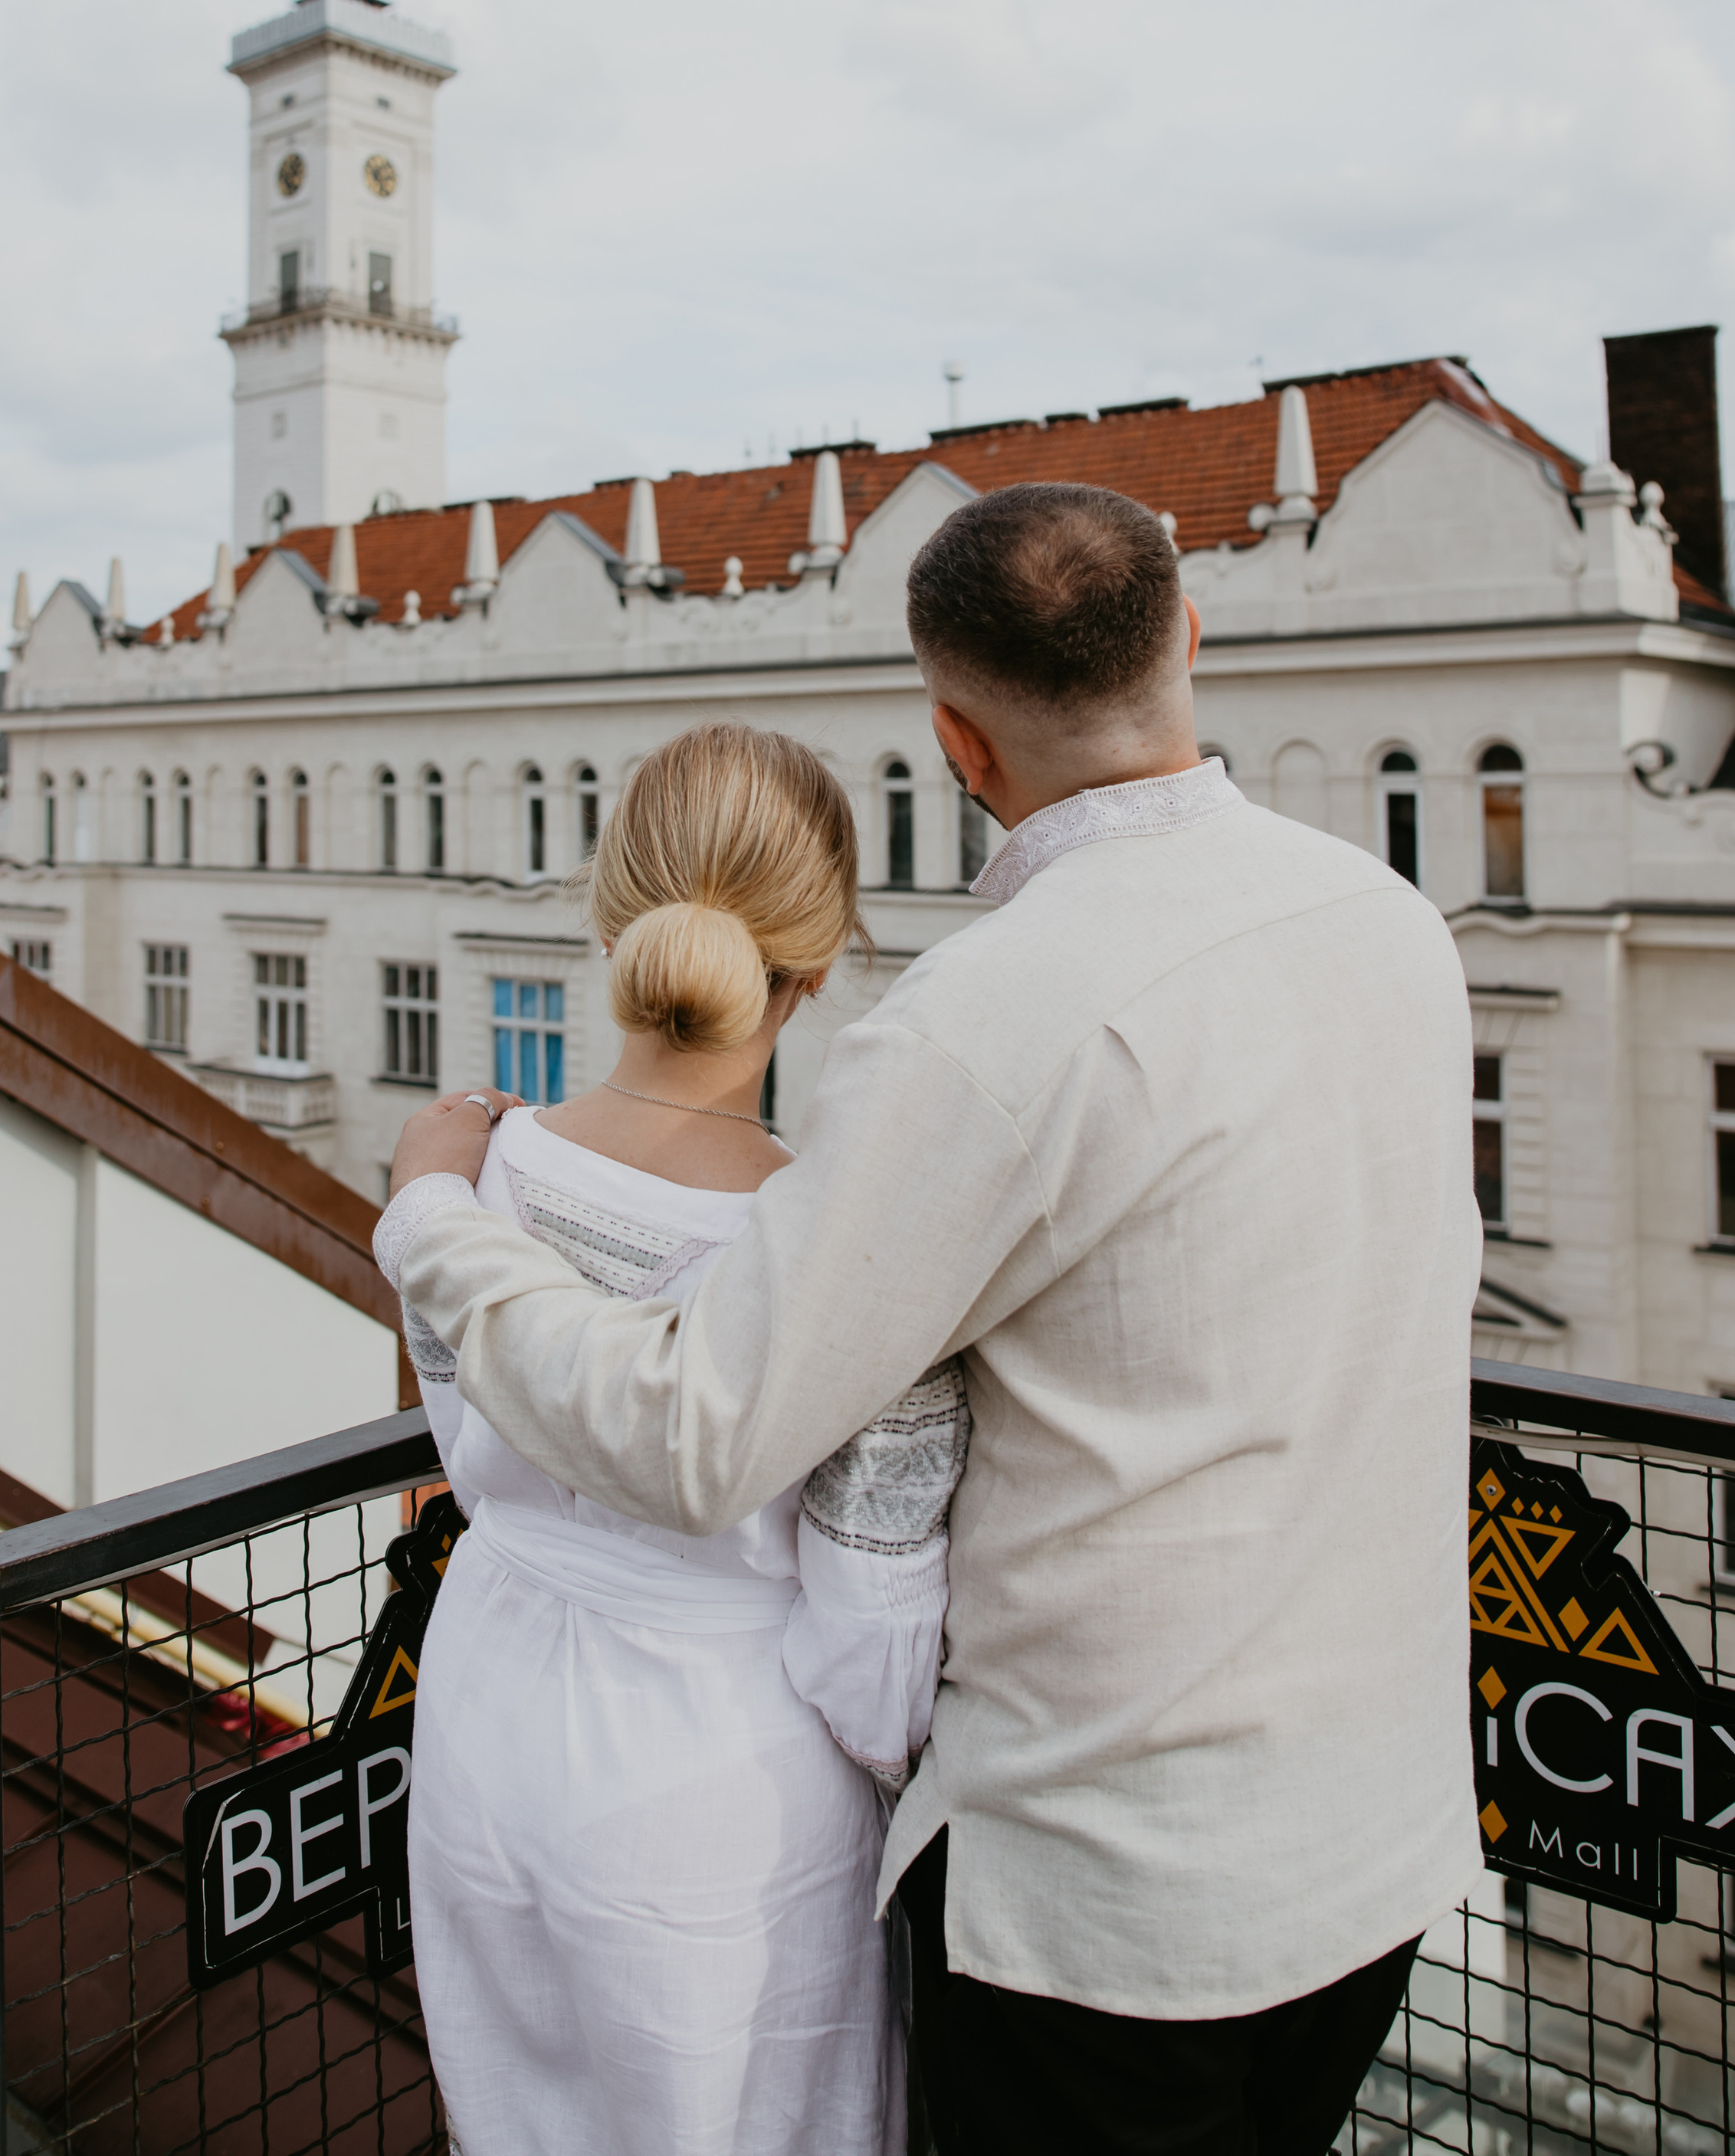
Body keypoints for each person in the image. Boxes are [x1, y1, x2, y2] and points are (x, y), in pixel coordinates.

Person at [383, 481, 1483, 2154]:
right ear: (1189, 640)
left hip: (1110, 1886)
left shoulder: (986, 1015)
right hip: (1370, 1827)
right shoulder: (1387, 919)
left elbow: (697, 1435)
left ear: (956, 743)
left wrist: (436, 1227)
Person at [375, 722, 967, 2156]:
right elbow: (874, 1641)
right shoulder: (828, 1239)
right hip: (724, 1781)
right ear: (817, 967)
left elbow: (466, 1435)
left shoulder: (470, 1170)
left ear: (610, 922)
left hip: (488, 1706)